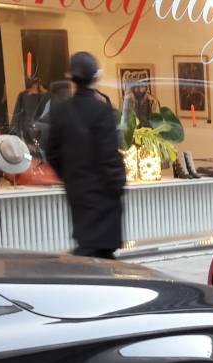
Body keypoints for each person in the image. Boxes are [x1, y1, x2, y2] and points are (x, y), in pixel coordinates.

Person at [46, 52, 127, 259]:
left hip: (78, 193)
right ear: (96, 77)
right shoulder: (101, 111)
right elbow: (109, 156)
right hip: (103, 195)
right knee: (100, 252)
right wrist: (118, 184)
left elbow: (51, 152)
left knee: (89, 247)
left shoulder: (61, 111)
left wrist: (71, 178)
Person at [10, 76, 49, 143]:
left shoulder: (23, 95)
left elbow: (17, 114)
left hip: (29, 129)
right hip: (37, 130)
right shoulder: (45, 96)